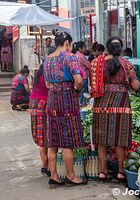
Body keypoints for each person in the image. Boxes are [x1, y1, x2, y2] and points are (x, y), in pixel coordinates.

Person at [90, 37, 140, 182]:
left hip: (101, 104)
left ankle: (103, 172)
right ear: (121, 48)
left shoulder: (97, 63)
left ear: (107, 48)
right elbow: (136, 86)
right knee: (120, 139)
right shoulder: (127, 64)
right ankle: (120, 172)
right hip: (121, 104)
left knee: (101, 139)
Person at [44, 31, 86, 188]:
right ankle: (70, 175)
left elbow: (47, 84)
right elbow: (79, 80)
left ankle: (54, 176)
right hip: (67, 98)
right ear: (67, 43)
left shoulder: (47, 59)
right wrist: (77, 89)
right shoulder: (69, 56)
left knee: (53, 140)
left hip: (52, 99)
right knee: (67, 140)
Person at [29, 64, 50, 177]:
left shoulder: (37, 74)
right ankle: (48, 164)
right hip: (44, 103)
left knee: (39, 134)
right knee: (47, 134)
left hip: (33, 103)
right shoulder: (48, 73)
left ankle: (44, 164)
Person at [73, 41, 90, 105]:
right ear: (80, 48)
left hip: (76, 77)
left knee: (78, 94)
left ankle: (78, 106)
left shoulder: (74, 56)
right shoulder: (82, 56)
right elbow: (88, 65)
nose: (84, 49)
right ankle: (83, 108)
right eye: (84, 47)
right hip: (83, 77)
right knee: (84, 94)